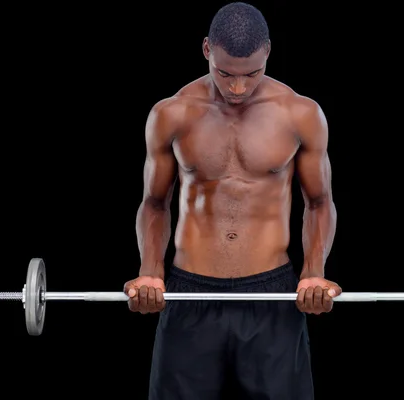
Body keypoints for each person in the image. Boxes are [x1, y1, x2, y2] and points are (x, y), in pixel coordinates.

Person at [123, 2, 341, 399]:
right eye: (225, 73)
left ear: (269, 53)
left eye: (251, 74)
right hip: (189, 293)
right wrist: (151, 270)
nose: (238, 88)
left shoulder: (301, 114)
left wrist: (314, 271)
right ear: (207, 49)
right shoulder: (171, 113)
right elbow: (155, 203)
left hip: (272, 295)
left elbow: (319, 202)